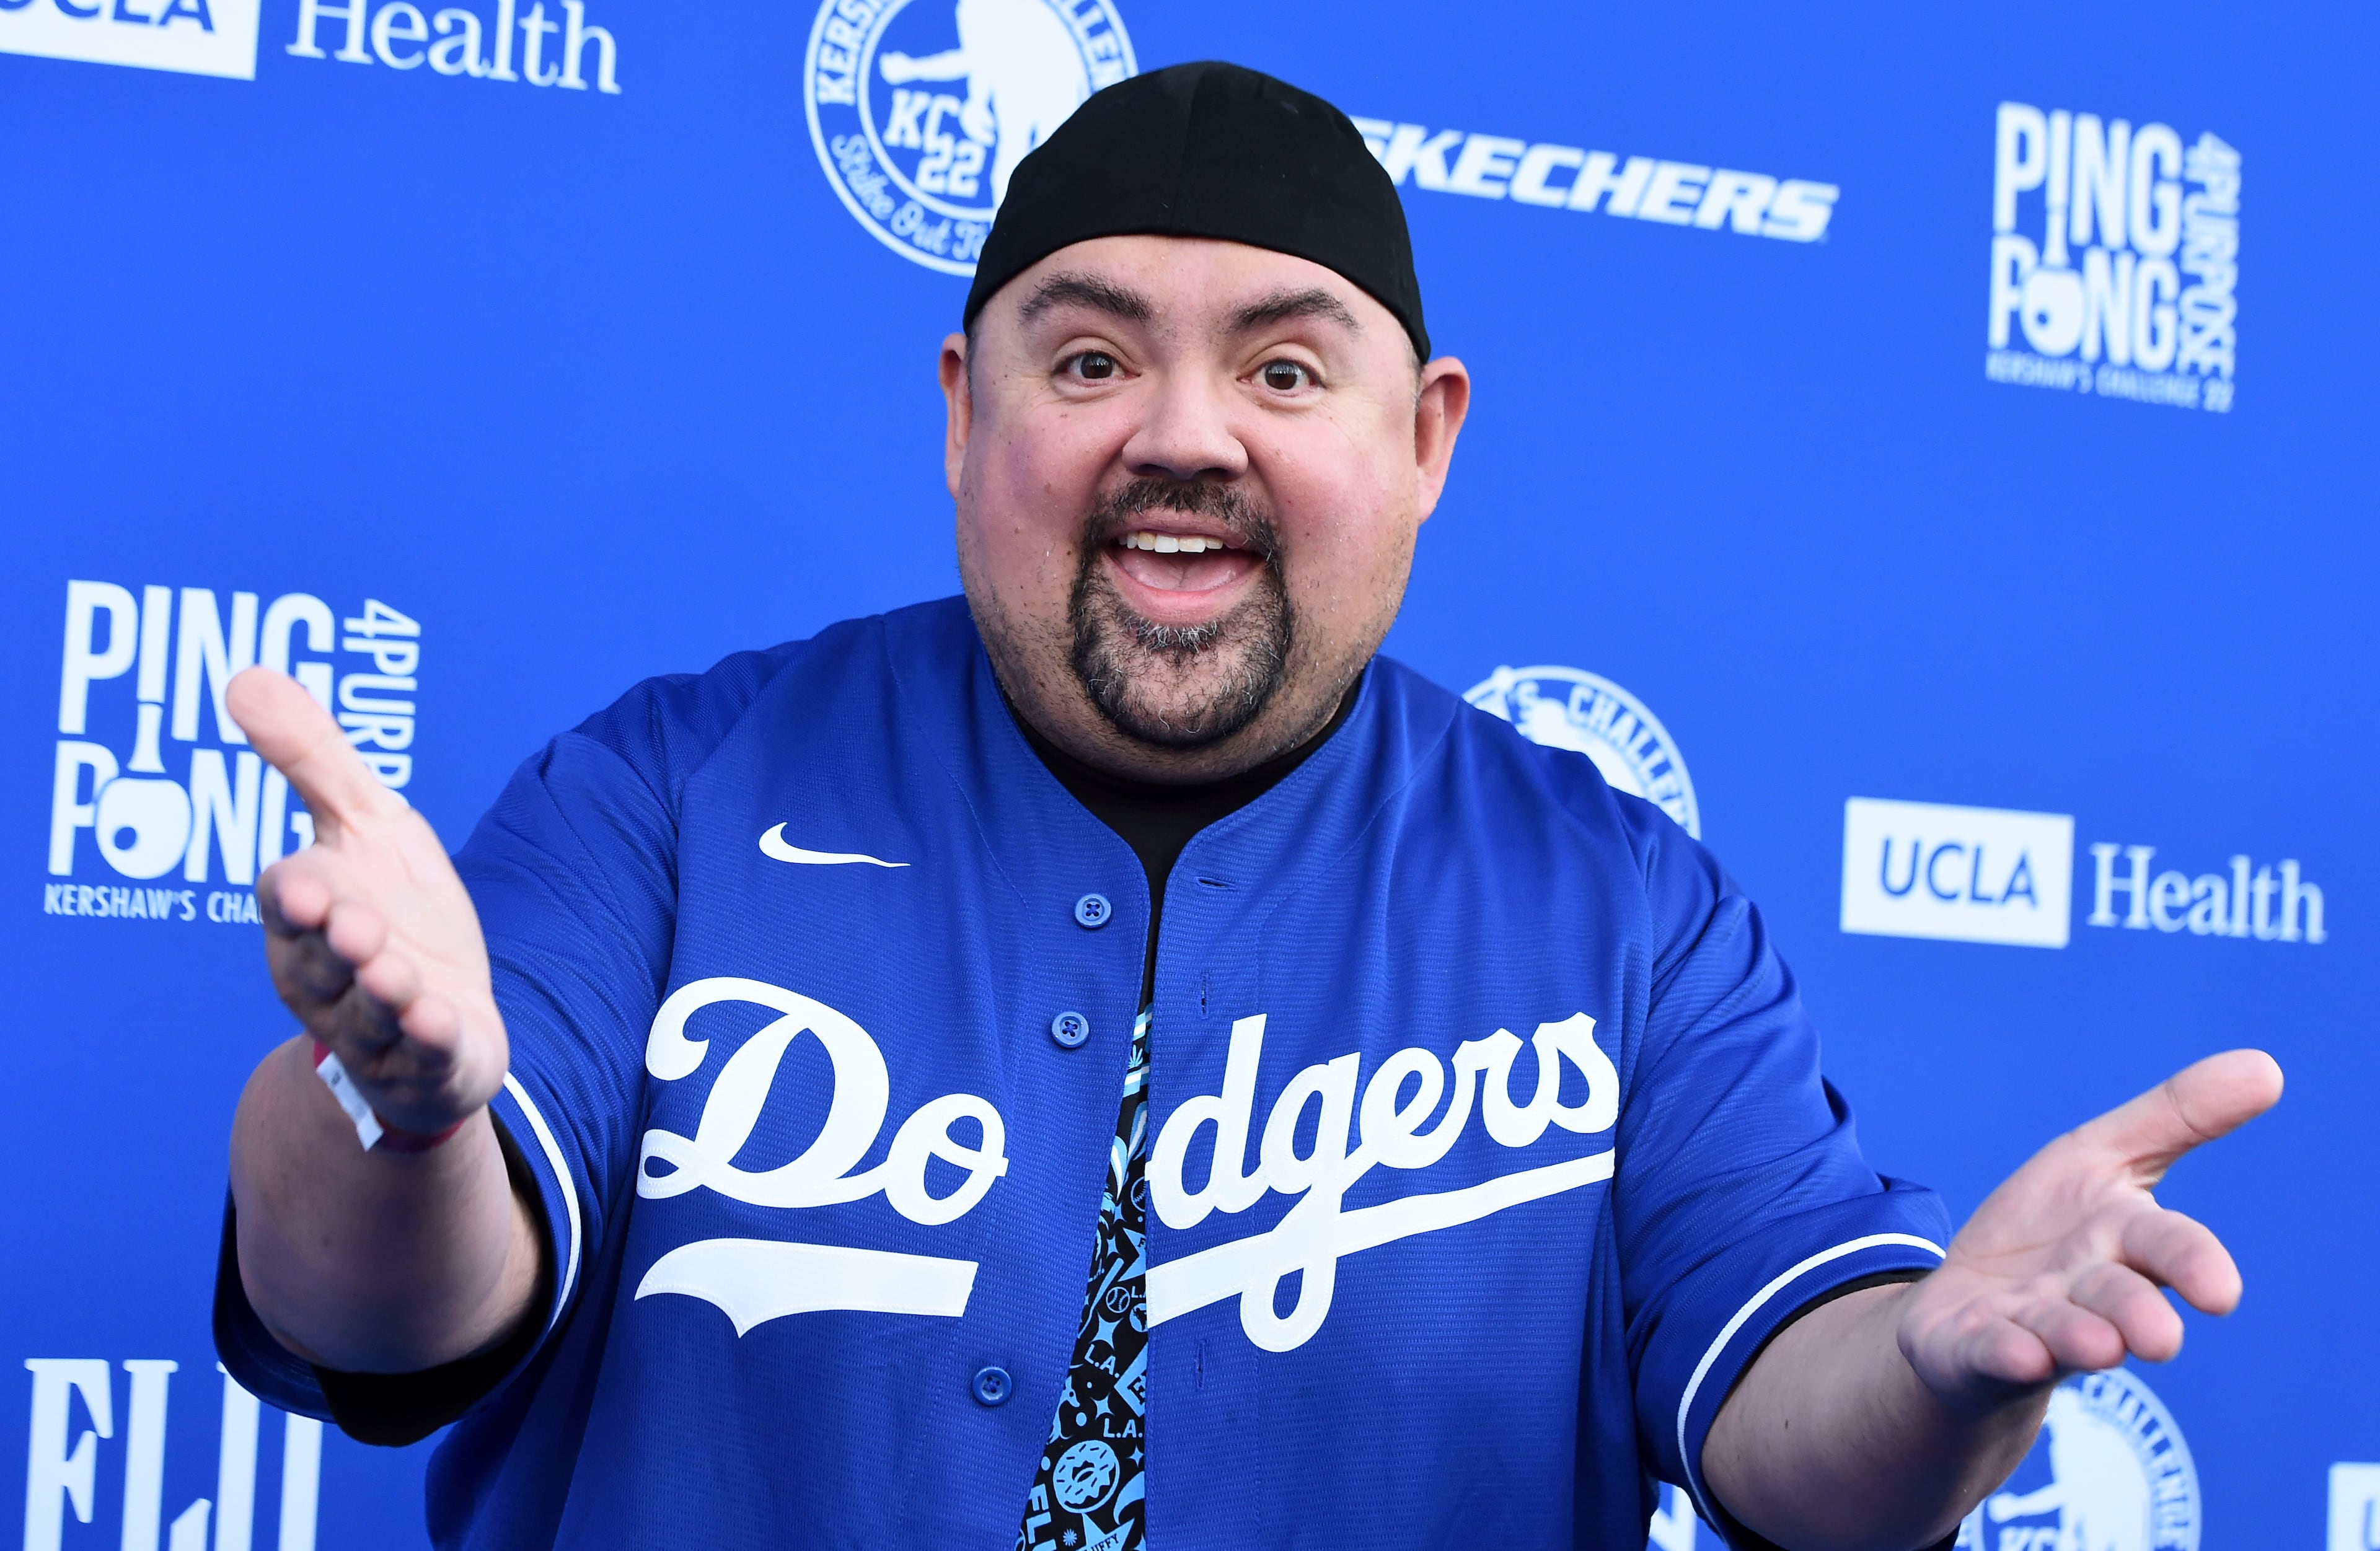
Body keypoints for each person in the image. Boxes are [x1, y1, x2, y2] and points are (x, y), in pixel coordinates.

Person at [213, 61, 2282, 1551]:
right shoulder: (665, 791)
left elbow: (1781, 1418)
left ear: (1426, 439)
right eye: (1093, 357)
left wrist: (1940, 1374)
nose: (1183, 435)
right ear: (964, 412)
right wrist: (396, 1099)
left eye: (1286, 372)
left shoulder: (1621, 907)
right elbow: (379, 1320)